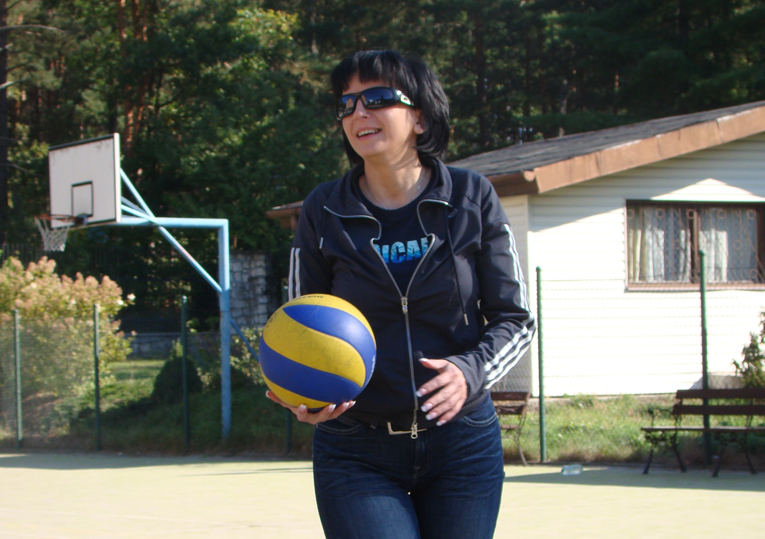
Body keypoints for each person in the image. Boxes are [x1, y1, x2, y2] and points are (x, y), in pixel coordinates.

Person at [266, 50, 536, 539]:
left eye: (376, 98)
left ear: (420, 116)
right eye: (347, 104)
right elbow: (301, 323)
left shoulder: (470, 197)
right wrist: (303, 395)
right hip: (355, 448)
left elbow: (515, 319)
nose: (358, 112)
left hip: (463, 444)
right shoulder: (323, 209)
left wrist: (470, 370)